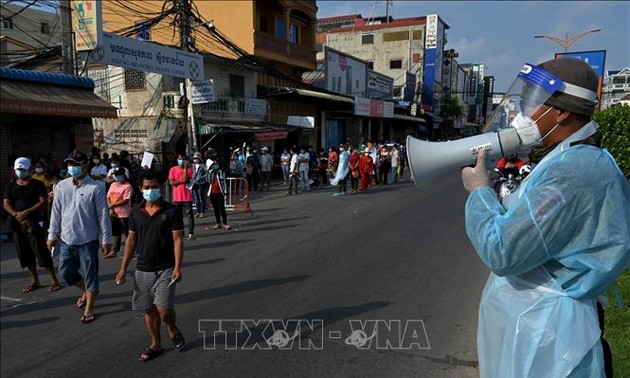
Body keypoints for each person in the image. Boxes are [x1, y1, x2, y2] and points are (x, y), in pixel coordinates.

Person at [461, 58, 630, 377]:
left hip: (554, 342)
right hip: (542, 327)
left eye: (532, 101)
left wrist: (480, 193)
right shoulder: (566, 160)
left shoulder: (572, 172)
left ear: (562, 111)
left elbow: (503, 251)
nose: (524, 112)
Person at [115, 170, 186, 362]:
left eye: (154, 186)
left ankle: (171, 328)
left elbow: (178, 240)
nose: (151, 190)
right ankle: (156, 343)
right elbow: (130, 241)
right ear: (141, 189)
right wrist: (123, 268)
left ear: (160, 187)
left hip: (166, 267)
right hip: (143, 269)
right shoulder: (136, 213)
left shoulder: (171, 211)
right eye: (147, 187)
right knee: (148, 309)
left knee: (163, 309)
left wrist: (178, 267)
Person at [47, 151, 112, 324]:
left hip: (88, 240)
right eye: (69, 164)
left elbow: (103, 215)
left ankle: (90, 306)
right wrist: (52, 235)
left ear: (85, 165)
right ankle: (86, 291)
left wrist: (106, 239)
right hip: (67, 239)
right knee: (65, 272)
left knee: (91, 274)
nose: (72, 168)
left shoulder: (96, 187)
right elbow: (56, 212)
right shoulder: (61, 186)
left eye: (75, 164)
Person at [3, 157, 61, 293]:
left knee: (41, 252)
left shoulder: (37, 184)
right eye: (18, 170)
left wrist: (26, 212)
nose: (20, 172)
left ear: (29, 169)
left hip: (35, 224)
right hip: (18, 225)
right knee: (25, 254)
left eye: (23, 169)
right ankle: (35, 280)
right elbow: (6, 204)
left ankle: (54, 279)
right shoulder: (10, 185)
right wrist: (18, 216)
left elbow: (43, 201)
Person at [106, 167, 133, 259]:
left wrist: (111, 206)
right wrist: (111, 208)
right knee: (116, 233)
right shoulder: (113, 185)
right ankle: (114, 251)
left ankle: (131, 250)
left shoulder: (128, 186)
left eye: (119, 175)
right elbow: (108, 197)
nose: (117, 177)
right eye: (116, 175)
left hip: (124, 213)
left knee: (128, 233)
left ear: (123, 175)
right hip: (114, 213)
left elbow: (125, 200)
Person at [168, 154, 195, 240]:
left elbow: (186, 180)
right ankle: (181, 231)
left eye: (183, 159)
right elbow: (171, 182)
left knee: (189, 215)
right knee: (178, 216)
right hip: (177, 197)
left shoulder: (189, 170)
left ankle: (191, 232)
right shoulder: (173, 169)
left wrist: (185, 170)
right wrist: (180, 181)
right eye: (179, 159)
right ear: (177, 159)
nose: (181, 160)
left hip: (187, 196)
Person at [207, 160, 231, 230]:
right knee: (215, 209)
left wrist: (226, 192)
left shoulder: (221, 172)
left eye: (216, 164)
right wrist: (209, 172)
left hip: (220, 192)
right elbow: (208, 181)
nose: (215, 165)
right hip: (212, 192)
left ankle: (225, 223)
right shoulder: (210, 172)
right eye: (213, 164)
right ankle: (218, 223)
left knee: (222, 208)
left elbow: (224, 182)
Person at [191, 152, 208, 218]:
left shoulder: (203, 165)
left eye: (196, 158)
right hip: (194, 183)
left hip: (201, 183)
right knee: (196, 198)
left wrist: (201, 177)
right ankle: (198, 212)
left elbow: (207, 173)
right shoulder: (192, 165)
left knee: (201, 198)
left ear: (199, 158)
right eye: (194, 158)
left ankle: (202, 212)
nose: (195, 160)